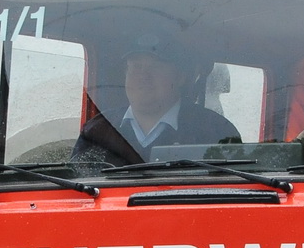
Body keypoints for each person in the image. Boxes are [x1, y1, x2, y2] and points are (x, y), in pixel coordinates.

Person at [73, 42, 239, 167]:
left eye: (155, 67)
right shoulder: (98, 130)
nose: (143, 76)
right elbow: (79, 186)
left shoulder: (216, 132)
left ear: (180, 77)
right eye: (136, 67)